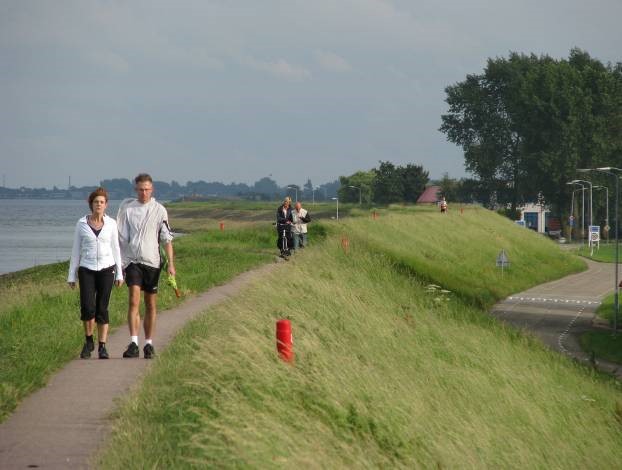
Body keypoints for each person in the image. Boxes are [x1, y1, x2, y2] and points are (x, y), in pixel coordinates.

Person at [117, 173, 175, 359]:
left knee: (150, 304)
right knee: (133, 300)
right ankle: (134, 342)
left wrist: (171, 265)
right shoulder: (127, 209)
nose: (144, 193)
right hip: (133, 261)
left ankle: (148, 343)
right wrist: (119, 263)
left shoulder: (160, 210)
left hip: (153, 262)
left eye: (147, 189)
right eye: (141, 189)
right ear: (136, 189)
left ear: (152, 189)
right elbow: (120, 238)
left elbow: (166, 240)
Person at [68, 187, 124, 359]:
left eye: (101, 202)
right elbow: (76, 250)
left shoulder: (112, 224)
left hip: (107, 269)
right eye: (95, 202)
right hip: (87, 269)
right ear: (90, 204)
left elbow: (116, 248)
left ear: (106, 205)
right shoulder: (82, 224)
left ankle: (102, 346)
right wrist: (71, 275)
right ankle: (88, 341)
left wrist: (119, 273)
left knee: (102, 308)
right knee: (87, 307)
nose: (98, 205)